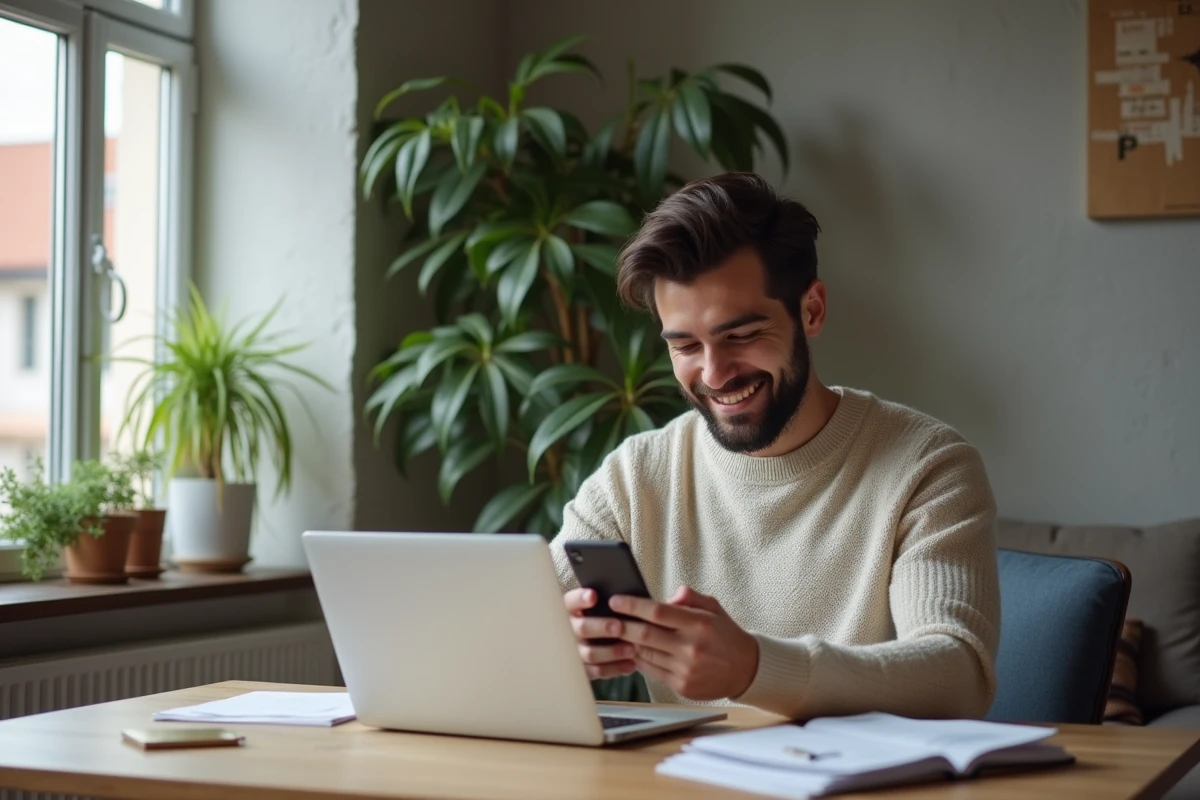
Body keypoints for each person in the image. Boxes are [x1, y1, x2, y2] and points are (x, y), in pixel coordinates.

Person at [548, 172, 1000, 721]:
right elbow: (513, 621)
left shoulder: (928, 467)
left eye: (741, 336)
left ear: (811, 311)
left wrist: (754, 668)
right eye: (687, 345)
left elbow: (956, 675)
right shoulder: (634, 478)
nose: (714, 374)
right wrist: (554, 641)